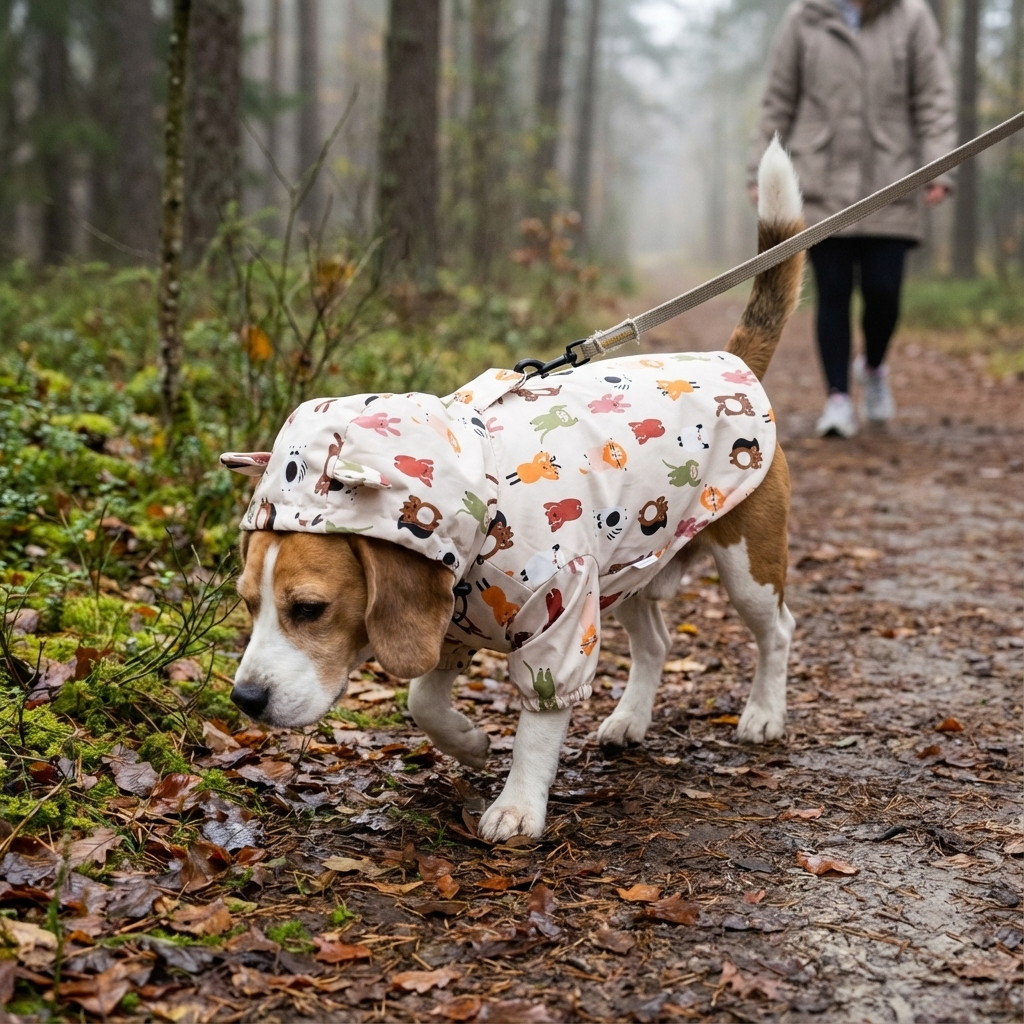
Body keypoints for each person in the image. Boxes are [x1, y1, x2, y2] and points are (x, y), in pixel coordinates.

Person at [748, 0, 956, 437]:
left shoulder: (912, 16)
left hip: (893, 180)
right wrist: (758, 171)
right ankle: (838, 398)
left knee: (885, 292)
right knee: (833, 294)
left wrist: (940, 165)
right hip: (822, 183)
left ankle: (874, 367)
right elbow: (778, 99)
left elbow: (934, 97)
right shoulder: (803, 17)